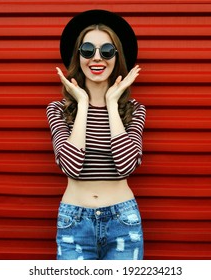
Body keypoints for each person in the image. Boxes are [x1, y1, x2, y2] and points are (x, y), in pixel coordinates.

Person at [46, 9, 146, 260]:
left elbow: (126, 167)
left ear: (117, 56)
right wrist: (82, 104)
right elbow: (70, 167)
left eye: (107, 51)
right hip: (74, 220)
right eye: (88, 50)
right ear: (79, 57)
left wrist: (112, 103)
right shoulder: (58, 109)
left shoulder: (134, 110)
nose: (97, 58)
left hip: (123, 221)